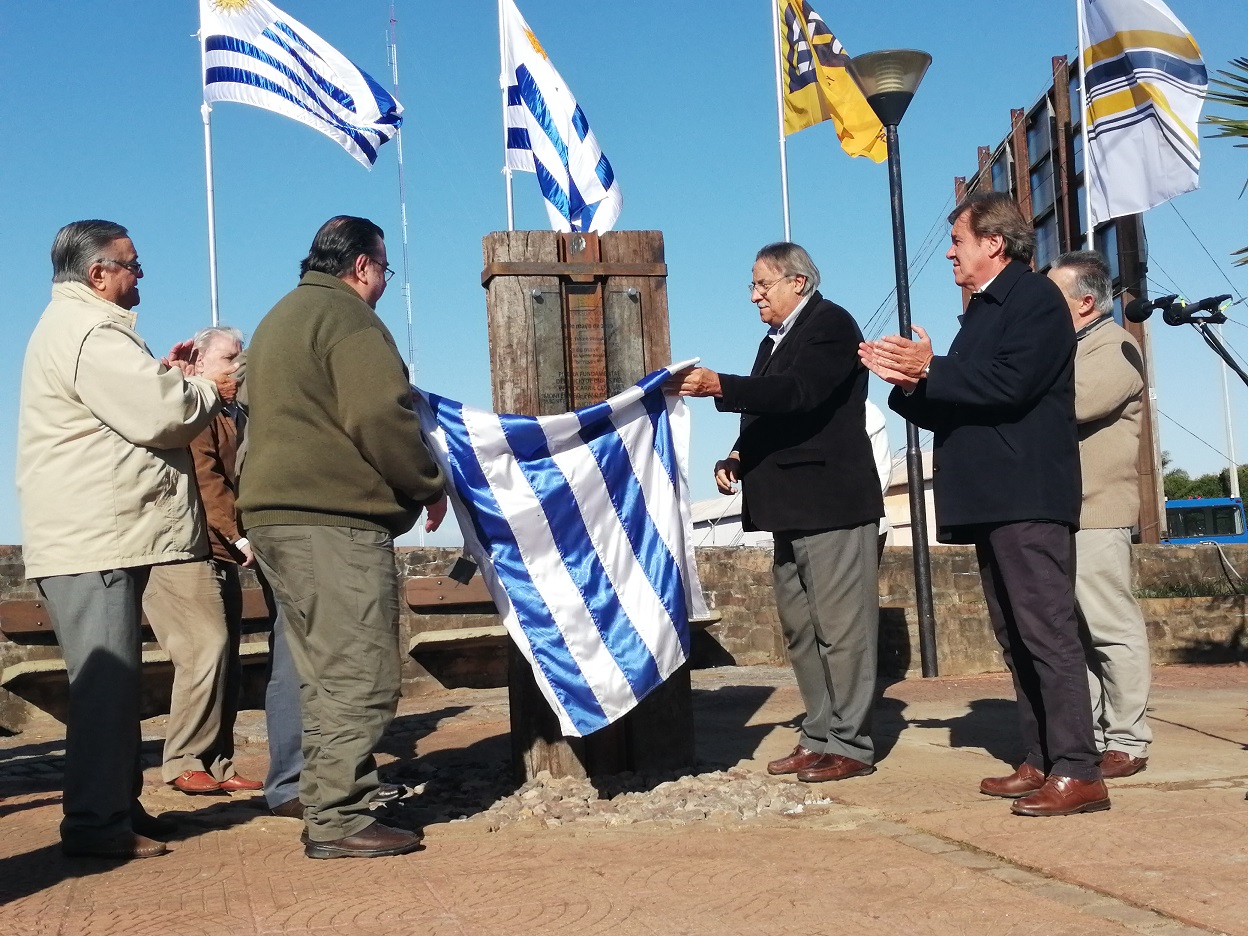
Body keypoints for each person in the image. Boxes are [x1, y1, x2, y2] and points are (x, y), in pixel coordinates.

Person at [860, 192, 1108, 817]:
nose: (950, 253)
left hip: (1027, 494)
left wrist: (932, 368)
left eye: (959, 241)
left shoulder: (1035, 300)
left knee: (1046, 631)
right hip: (993, 496)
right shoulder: (982, 311)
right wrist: (909, 382)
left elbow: (1013, 384)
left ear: (994, 243)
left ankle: (1079, 769)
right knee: (1014, 634)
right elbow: (963, 399)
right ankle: (1042, 758)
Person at [238, 216, 447, 858]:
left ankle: (324, 797)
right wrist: (427, 483)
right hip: (330, 521)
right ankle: (340, 818)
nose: (384, 281)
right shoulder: (348, 319)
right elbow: (381, 414)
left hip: (276, 518)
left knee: (318, 672)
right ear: (362, 266)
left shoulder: (279, 319)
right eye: (385, 268)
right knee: (360, 670)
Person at [17, 220, 226, 858]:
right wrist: (204, 388)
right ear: (98, 274)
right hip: (95, 539)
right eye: (133, 265)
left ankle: (116, 807)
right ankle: (96, 825)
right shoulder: (90, 331)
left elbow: (132, 404)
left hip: (98, 535)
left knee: (113, 686)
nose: (141, 276)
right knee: (104, 690)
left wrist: (167, 375)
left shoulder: (80, 328)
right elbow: (161, 413)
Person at [672, 242, 884, 783]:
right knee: (801, 630)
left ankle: (851, 744)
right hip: (789, 507)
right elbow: (771, 411)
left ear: (798, 282)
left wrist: (720, 385)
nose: (754, 296)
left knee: (842, 630)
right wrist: (739, 456)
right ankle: (819, 735)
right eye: (753, 285)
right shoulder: (775, 340)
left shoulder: (830, 324)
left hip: (831, 503)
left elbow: (799, 393)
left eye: (762, 284)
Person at [143, 326, 263, 796]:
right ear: (198, 363)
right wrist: (238, 535)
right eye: (229, 357)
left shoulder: (231, 414)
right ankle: (184, 759)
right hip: (183, 549)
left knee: (226, 658)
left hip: (215, 550)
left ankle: (217, 762)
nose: (238, 366)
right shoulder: (194, 410)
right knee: (204, 648)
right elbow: (207, 479)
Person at [1049, 250, 1151, 779]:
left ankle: (1128, 739)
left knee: (1111, 629)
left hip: (1098, 511)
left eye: (1052, 295)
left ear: (1086, 302)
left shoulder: (1114, 346)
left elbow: (1072, 405)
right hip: (1063, 511)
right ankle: (1086, 733)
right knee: (1073, 634)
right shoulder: (1070, 347)